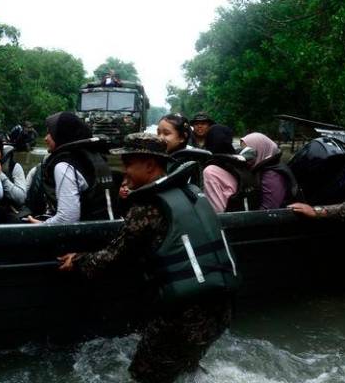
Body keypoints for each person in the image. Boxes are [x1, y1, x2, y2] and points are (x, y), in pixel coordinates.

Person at [58, 133, 238, 383]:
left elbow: (113, 256)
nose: (125, 171)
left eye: (128, 164)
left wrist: (77, 260)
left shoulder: (148, 207)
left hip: (184, 315)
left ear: (150, 165)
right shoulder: (191, 192)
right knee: (185, 369)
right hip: (219, 309)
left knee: (142, 375)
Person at [27, 112, 115, 224]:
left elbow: (67, 218)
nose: (45, 138)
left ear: (62, 134)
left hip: (86, 236)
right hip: (108, 230)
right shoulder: (95, 157)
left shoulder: (64, 165)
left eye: (50, 133)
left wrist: (41, 225)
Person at [202, 125, 258, 212]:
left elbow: (217, 210)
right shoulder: (239, 161)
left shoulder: (210, 171)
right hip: (247, 215)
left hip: (229, 220)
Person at [240, 132, 299, 209]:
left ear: (261, 150)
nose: (244, 157)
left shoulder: (271, 175)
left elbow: (269, 209)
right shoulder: (266, 165)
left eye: (248, 153)